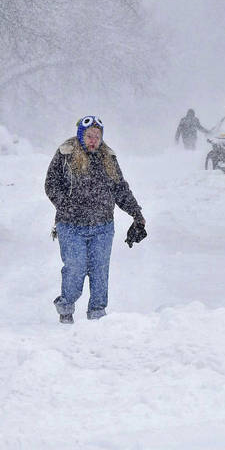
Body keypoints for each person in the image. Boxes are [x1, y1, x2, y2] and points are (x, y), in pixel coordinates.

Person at [45, 115, 145, 324]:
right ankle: (66, 308)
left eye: (97, 137)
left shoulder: (108, 157)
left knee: (100, 270)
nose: (93, 140)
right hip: (71, 225)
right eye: (89, 136)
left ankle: (98, 315)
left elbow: (120, 188)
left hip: (102, 226)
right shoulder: (66, 154)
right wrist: (65, 205)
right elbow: (51, 184)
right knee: (76, 268)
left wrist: (137, 215)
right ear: (81, 135)